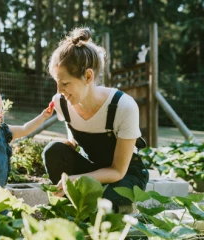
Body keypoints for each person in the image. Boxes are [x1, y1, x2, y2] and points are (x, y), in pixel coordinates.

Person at [43, 27, 149, 213]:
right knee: (53, 151)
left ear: (88, 76)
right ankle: (72, 205)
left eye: (65, 83)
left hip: (125, 175)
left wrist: (79, 179)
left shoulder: (123, 106)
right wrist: (72, 142)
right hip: (93, 168)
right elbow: (74, 128)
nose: (59, 90)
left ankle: (119, 209)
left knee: (99, 201)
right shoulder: (61, 102)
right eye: (57, 82)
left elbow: (117, 171)